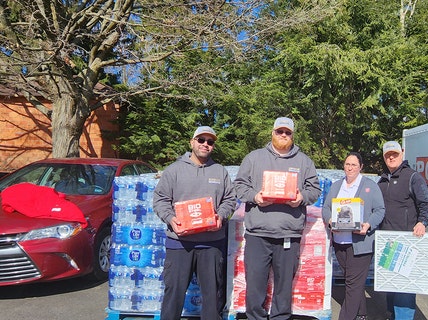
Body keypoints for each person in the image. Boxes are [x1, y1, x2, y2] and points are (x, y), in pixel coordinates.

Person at [234, 117, 321, 320]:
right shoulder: (254, 158)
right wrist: (255, 197)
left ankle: (280, 317)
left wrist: (301, 198)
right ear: (272, 133)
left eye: (287, 132)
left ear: (292, 136)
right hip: (258, 234)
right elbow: (239, 186)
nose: (283, 135)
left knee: (283, 286)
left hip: (288, 235)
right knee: (255, 284)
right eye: (279, 131)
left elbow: (314, 190)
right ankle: (255, 317)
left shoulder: (304, 161)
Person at [153, 126, 236, 320]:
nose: (205, 144)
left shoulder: (220, 171)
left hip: (211, 243)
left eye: (210, 142)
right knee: (174, 293)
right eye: (201, 140)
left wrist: (221, 216)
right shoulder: (174, 170)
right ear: (192, 142)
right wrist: (170, 218)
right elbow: (160, 200)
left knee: (212, 297)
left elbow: (230, 200)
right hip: (180, 243)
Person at [322, 152, 385, 320]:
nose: (349, 168)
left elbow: (380, 210)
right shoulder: (337, 186)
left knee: (352, 285)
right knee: (353, 282)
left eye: (354, 165)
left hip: (361, 244)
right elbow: (326, 208)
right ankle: (361, 314)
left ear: (361, 167)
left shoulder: (370, 186)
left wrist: (368, 224)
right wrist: (329, 222)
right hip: (340, 243)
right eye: (347, 164)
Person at [377, 140, 428, 320]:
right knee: (391, 283)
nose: (391, 157)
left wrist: (422, 222)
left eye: (394, 154)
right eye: (388, 155)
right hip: (388, 240)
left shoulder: (413, 177)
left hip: (406, 241)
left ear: (402, 153)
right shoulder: (382, 179)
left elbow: (426, 203)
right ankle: (391, 315)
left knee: (405, 288)